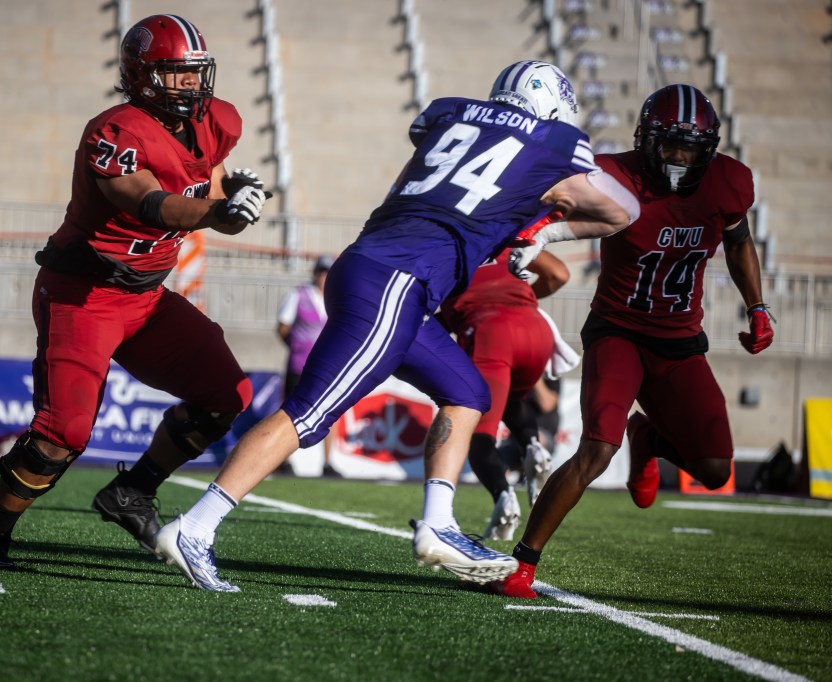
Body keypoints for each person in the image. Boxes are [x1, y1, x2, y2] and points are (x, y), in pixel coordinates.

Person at [152, 60, 641, 592]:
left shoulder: (452, 112)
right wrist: (544, 233)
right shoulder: (554, 140)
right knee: (307, 414)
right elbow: (623, 210)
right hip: (397, 281)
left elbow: (432, 146)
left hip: (382, 272)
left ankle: (439, 523)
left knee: (467, 392)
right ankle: (194, 527)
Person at [0, 14, 269, 569]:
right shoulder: (115, 131)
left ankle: (133, 491)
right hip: (84, 293)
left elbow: (207, 182)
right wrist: (220, 211)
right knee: (63, 431)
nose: (191, 84)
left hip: (146, 297)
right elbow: (149, 203)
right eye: (176, 73)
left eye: (196, 72)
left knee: (227, 395)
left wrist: (233, 196)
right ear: (142, 76)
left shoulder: (216, 121)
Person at [493, 84, 772, 599]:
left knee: (715, 470)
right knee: (596, 451)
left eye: (690, 148)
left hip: (680, 340)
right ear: (646, 140)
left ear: (709, 150)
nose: (679, 159)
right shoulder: (613, 175)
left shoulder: (728, 183)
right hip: (618, 331)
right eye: (670, 146)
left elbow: (738, 240)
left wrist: (757, 305)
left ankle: (649, 439)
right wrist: (533, 235)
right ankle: (523, 564)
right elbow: (551, 204)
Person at [438, 249, 572, 541]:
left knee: (477, 433)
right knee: (511, 399)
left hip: (491, 333)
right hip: (536, 328)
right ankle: (533, 444)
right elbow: (559, 274)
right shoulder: (504, 239)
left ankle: (503, 494)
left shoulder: (441, 248)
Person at [275, 254, 339, 477]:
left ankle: (328, 462)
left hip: (326, 365)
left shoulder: (335, 298)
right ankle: (285, 460)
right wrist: (297, 346)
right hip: (299, 364)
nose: (324, 277)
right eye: (321, 273)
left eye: (327, 273)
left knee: (329, 410)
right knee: (290, 412)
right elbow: (283, 327)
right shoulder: (298, 295)